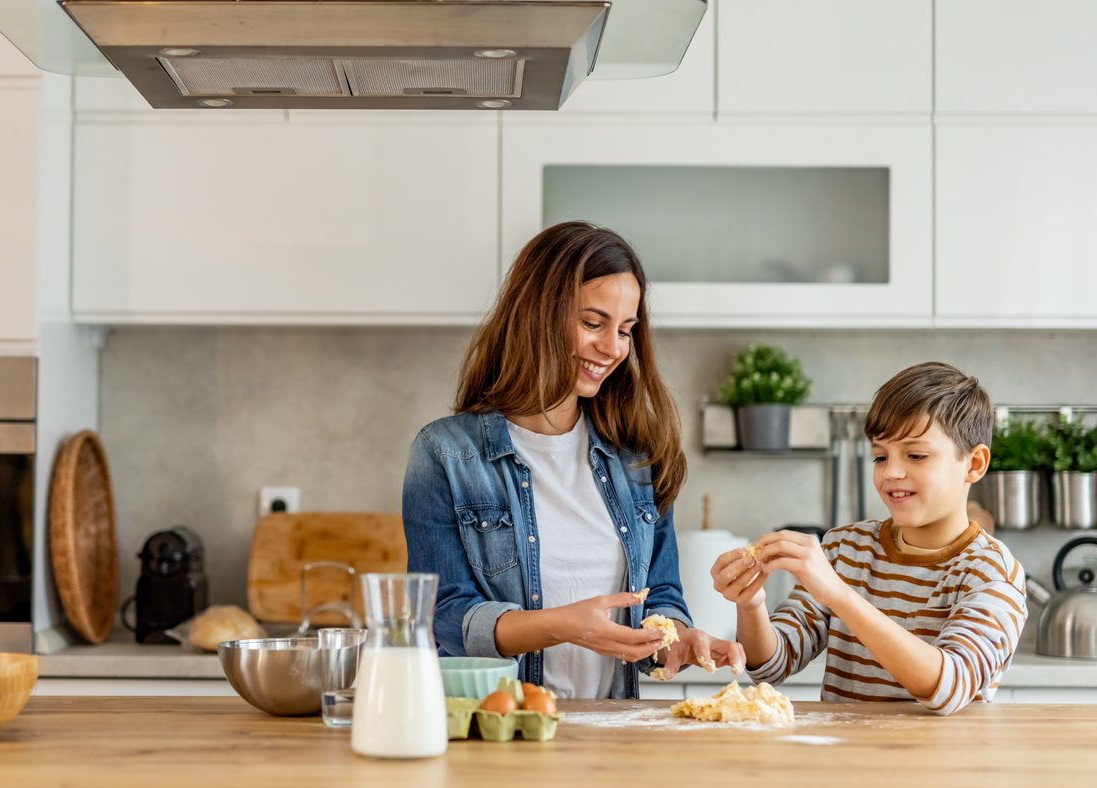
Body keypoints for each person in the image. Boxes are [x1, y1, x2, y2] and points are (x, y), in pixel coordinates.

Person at [402, 221, 745, 700]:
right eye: (592, 323)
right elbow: (447, 616)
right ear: (536, 315)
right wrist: (563, 625)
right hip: (500, 732)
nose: (613, 348)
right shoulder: (447, 454)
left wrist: (678, 639)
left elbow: (660, 597)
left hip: (611, 741)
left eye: (625, 330)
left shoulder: (636, 457)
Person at [712, 362, 1027, 715]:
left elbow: (948, 686)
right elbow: (772, 665)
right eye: (880, 456)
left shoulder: (991, 571)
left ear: (974, 464)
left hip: (943, 767)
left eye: (916, 455)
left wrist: (839, 594)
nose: (891, 472)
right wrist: (751, 602)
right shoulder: (845, 550)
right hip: (848, 763)